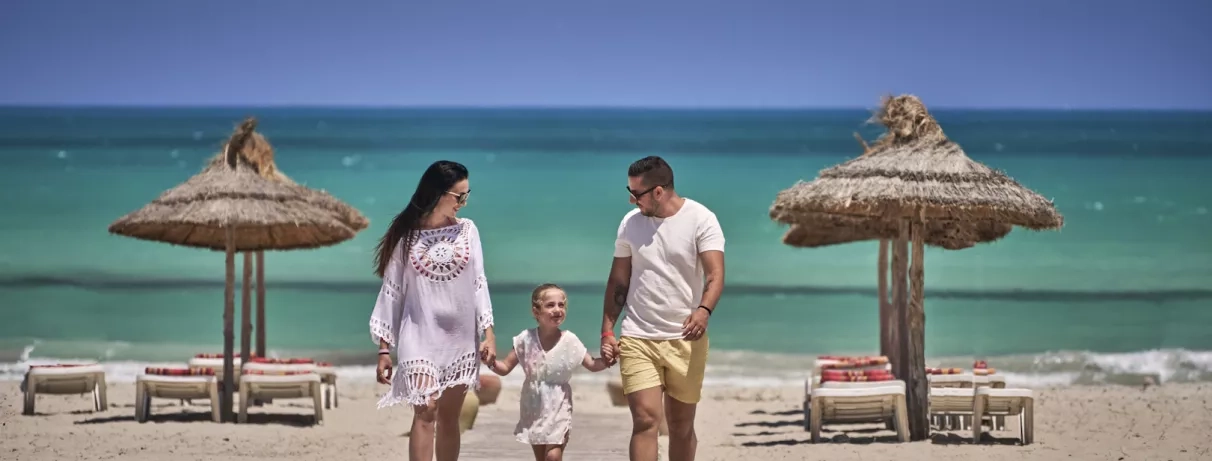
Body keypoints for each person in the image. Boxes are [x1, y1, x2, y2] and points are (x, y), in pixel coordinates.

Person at [599, 156, 725, 461]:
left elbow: (715, 275)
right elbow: (618, 281)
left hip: (685, 338)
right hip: (638, 336)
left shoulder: (702, 219)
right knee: (645, 421)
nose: (631, 199)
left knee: (681, 426)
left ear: (658, 191)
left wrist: (703, 311)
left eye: (636, 193)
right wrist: (607, 330)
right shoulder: (630, 223)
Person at [369, 160, 496, 461]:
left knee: (450, 418)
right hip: (419, 334)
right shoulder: (407, 237)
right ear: (438, 193)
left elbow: (479, 283)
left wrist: (488, 333)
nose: (464, 203)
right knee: (426, 411)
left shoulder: (468, 231)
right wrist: (384, 349)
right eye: (459, 196)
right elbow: (392, 293)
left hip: (460, 338)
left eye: (467, 195)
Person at [486, 283, 611, 461]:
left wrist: (608, 360)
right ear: (536, 312)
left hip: (559, 406)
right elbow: (505, 367)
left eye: (561, 305)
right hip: (533, 406)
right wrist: (490, 362)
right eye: (550, 305)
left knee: (553, 456)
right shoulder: (525, 339)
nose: (557, 309)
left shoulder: (569, 340)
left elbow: (591, 364)